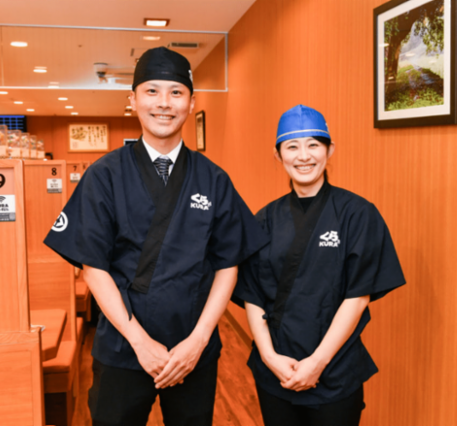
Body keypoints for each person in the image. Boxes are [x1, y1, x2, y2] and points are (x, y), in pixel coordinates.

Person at [44, 47, 268, 426]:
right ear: (132, 100)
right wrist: (140, 342)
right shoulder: (105, 175)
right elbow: (92, 266)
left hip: (192, 348)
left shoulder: (213, 179)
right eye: (152, 91)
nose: (164, 103)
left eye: (176, 92)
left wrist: (198, 340)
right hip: (123, 345)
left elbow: (228, 264)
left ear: (191, 103)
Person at [233, 105, 406, 426]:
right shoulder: (264, 219)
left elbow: (358, 297)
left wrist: (317, 362)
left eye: (313, 144)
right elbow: (252, 294)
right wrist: (269, 356)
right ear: (278, 155)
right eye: (292, 147)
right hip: (277, 367)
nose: (303, 156)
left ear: (330, 150)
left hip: (335, 368)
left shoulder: (358, 215)